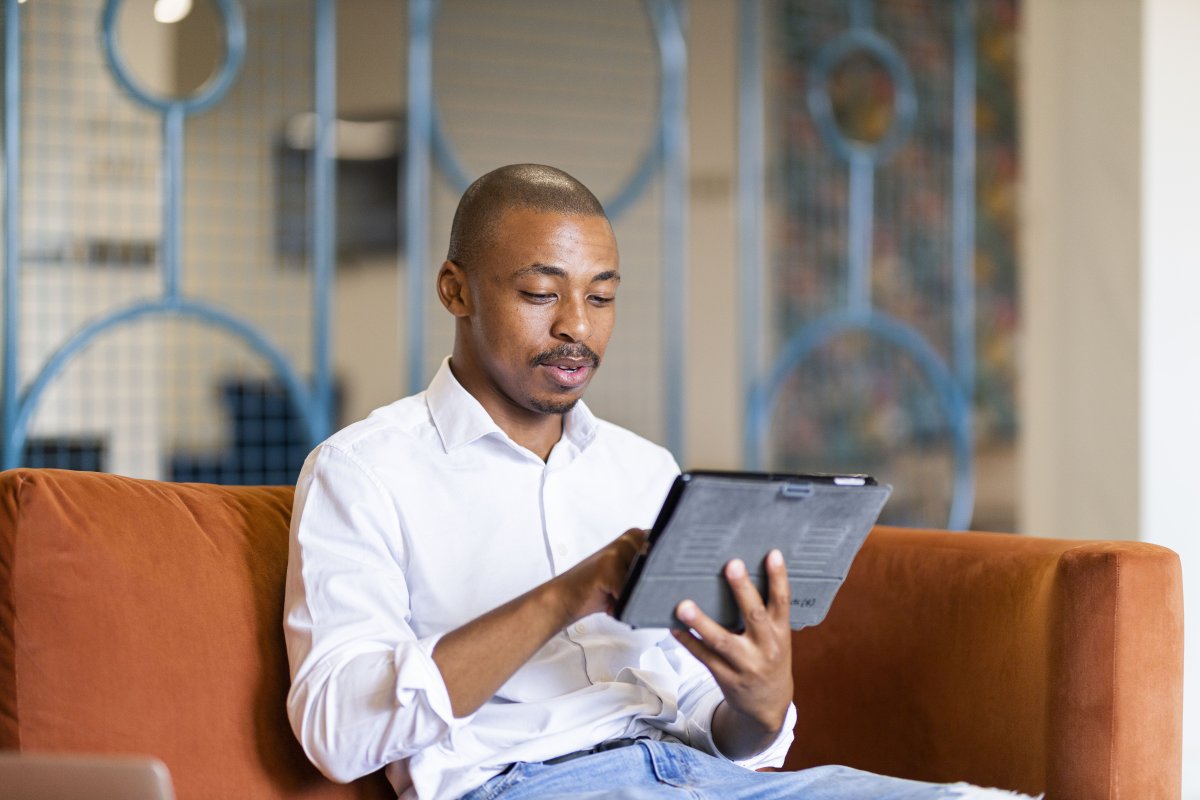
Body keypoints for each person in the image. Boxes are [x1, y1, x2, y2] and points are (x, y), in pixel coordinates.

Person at [283, 164, 1038, 800]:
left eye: (602, 296)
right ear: (457, 291)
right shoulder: (363, 470)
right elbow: (337, 730)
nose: (577, 326)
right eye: (542, 295)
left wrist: (760, 700)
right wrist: (566, 595)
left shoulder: (644, 470)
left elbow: (715, 723)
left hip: (692, 774)